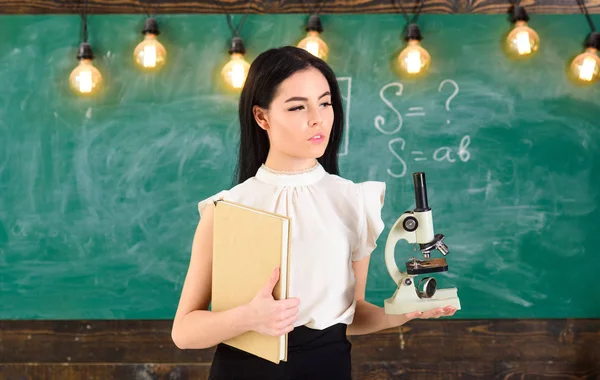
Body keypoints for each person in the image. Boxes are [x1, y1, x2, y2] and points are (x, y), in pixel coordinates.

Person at [171, 46, 457, 380]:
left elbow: (353, 315)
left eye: (324, 102)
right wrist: (248, 318)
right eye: (297, 107)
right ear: (262, 117)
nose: (317, 118)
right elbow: (184, 331)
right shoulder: (226, 209)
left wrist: (404, 313)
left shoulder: (354, 201)